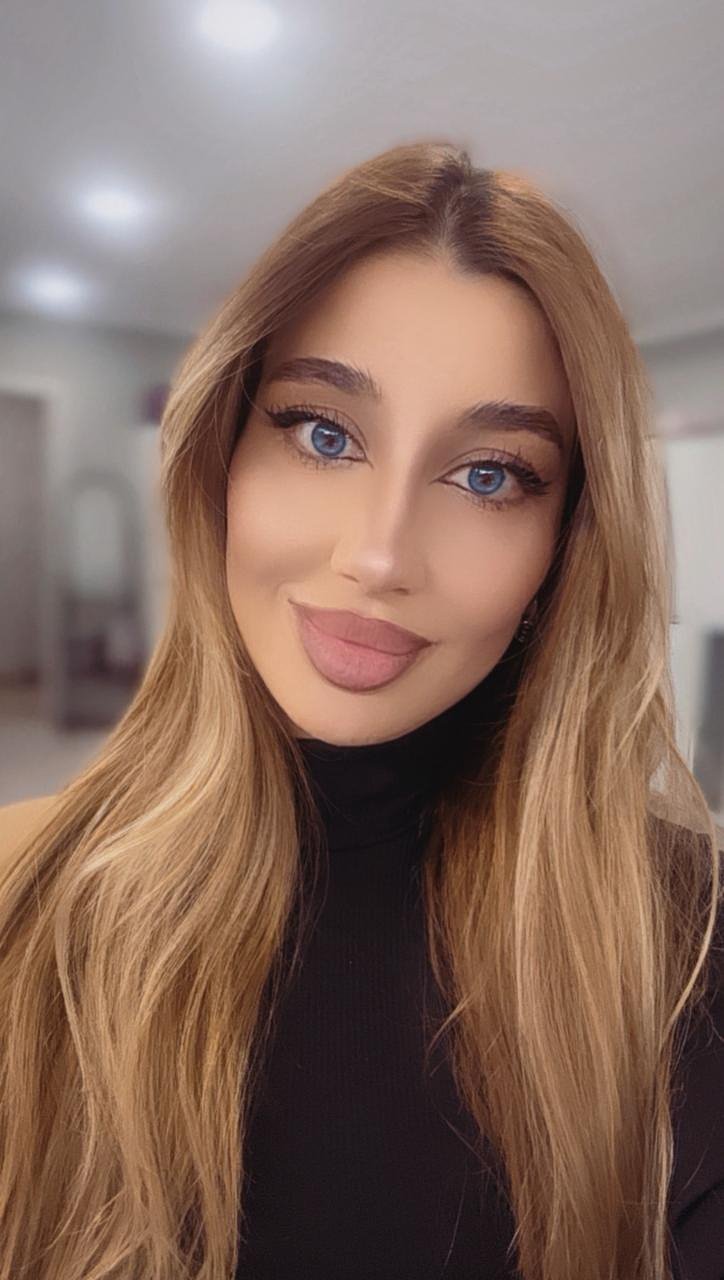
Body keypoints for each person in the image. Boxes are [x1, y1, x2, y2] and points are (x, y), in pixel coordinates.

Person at [0, 140, 722, 1280]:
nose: (379, 556)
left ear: (566, 543)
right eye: (323, 433)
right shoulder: (23, 903)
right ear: (220, 460)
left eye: (489, 474)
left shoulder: (684, 945)